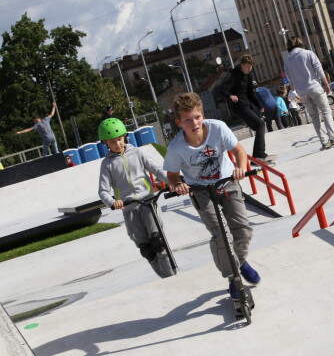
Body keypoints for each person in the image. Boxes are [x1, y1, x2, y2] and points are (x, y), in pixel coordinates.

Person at [163, 92, 261, 300]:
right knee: (221, 236)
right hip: (201, 191)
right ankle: (234, 278)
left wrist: (241, 169)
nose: (194, 123)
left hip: (227, 182)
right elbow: (172, 176)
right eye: (187, 120)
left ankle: (240, 262)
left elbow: (239, 151)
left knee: (242, 231)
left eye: (197, 117)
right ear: (179, 122)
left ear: (203, 114)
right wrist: (178, 184)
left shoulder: (217, 128)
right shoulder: (176, 148)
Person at [97, 118, 175, 279]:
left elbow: (157, 169)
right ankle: (164, 277)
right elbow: (103, 191)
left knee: (158, 241)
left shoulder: (137, 152)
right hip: (128, 208)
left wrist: (172, 181)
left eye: (119, 139)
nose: (117, 144)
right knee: (146, 248)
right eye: (112, 142)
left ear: (124, 136)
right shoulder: (107, 164)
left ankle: (172, 276)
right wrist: (112, 202)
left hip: (148, 202)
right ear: (105, 143)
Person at [284, 36, 334, 150]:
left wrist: (296, 89)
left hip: (302, 92)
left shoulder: (287, 61)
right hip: (315, 88)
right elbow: (318, 68)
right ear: (300, 43)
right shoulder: (308, 53)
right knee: (326, 111)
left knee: (314, 117)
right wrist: (326, 83)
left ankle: (324, 142)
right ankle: (332, 137)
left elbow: (289, 80)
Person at [218, 54, 273, 163]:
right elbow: (223, 89)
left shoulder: (248, 76)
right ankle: (259, 153)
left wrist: (259, 105)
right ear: (242, 65)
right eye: (247, 67)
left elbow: (250, 92)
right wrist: (230, 96)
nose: (249, 69)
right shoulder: (233, 74)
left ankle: (256, 157)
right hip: (238, 106)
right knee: (260, 124)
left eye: (251, 67)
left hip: (246, 105)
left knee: (259, 127)